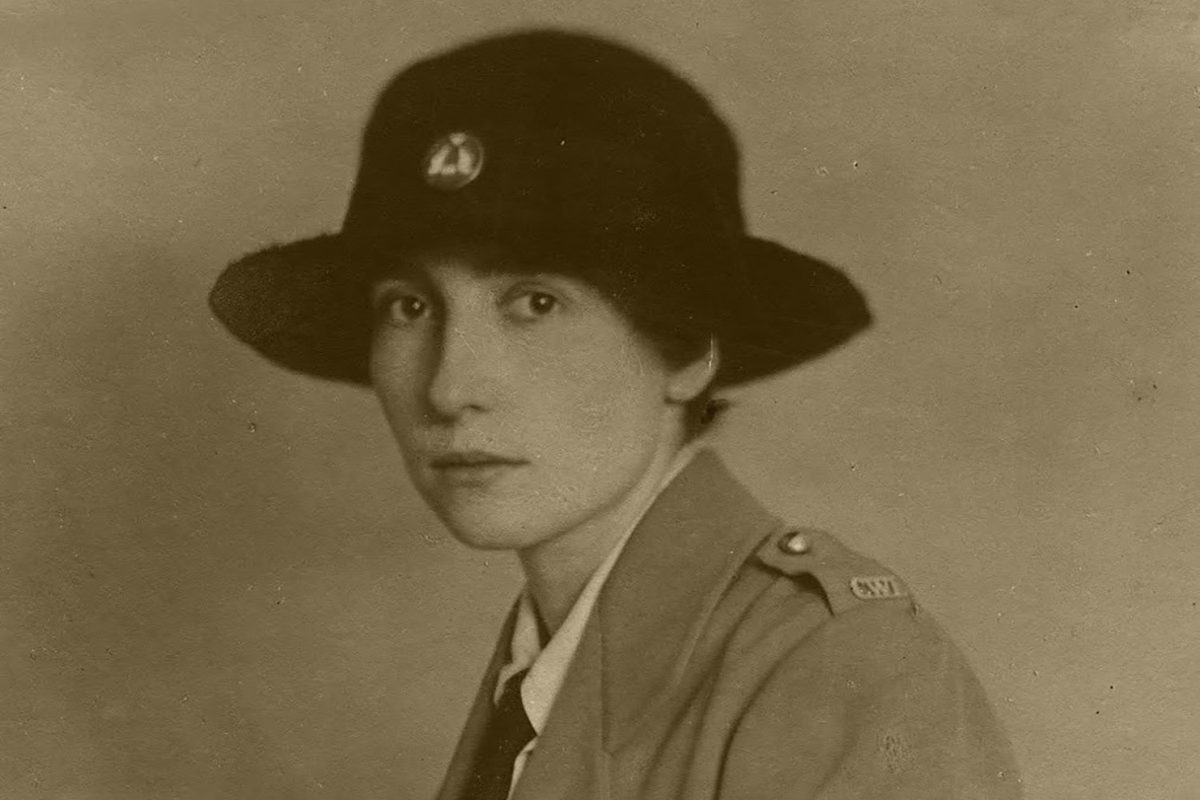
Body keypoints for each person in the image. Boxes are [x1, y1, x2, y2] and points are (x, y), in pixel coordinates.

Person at [209, 28, 1021, 800]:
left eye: (535, 302)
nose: (450, 388)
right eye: (410, 306)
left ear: (689, 351)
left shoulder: (840, 666)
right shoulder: (540, 672)